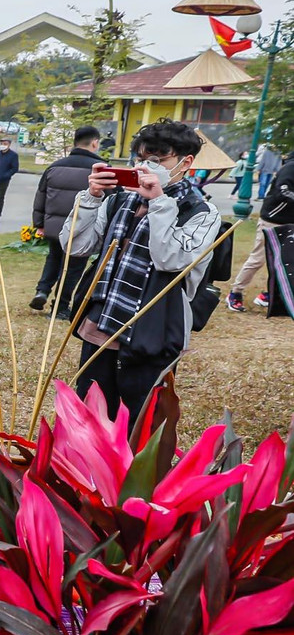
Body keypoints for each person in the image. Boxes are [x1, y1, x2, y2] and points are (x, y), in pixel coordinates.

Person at [62, 120, 220, 424]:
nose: (147, 166)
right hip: (103, 323)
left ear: (186, 162)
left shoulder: (200, 211)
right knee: (90, 416)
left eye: (159, 160)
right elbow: (77, 245)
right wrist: (92, 198)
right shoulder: (122, 197)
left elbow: (171, 260)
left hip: (154, 332)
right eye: (142, 158)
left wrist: (159, 202)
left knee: (141, 420)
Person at [30, 126, 103, 318]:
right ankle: (60, 306)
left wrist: (39, 223)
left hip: (54, 225)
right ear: (95, 143)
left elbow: (41, 196)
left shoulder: (55, 166)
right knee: (73, 268)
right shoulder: (100, 170)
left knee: (54, 258)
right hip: (82, 228)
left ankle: (42, 290)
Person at [228, 152, 294, 312]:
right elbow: (283, 190)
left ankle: (270, 295)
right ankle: (235, 293)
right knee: (258, 258)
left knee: (287, 261)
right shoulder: (291, 167)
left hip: (290, 220)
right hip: (272, 218)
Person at [0, 136, 20, 221]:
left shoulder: (13, 155)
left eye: (5, 144)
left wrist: (6, 175)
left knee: (0, 198)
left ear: (9, 145)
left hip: (4, 180)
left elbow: (14, 168)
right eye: (1, 143)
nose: (3, 145)